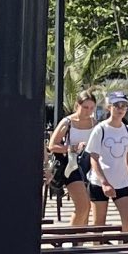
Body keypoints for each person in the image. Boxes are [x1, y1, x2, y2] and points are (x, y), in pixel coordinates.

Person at [85, 93, 128, 231]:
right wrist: (104, 183)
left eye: (124, 105)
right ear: (109, 107)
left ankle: (123, 244)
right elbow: (93, 157)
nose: (120, 109)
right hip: (99, 182)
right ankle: (98, 245)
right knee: (98, 224)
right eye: (117, 105)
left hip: (121, 182)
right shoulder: (100, 129)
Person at [48, 91, 100, 228]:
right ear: (77, 105)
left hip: (89, 165)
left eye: (91, 108)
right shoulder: (68, 122)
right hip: (71, 166)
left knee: (87, 209)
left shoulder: (95, 123)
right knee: (83, 206)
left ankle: (80, 238)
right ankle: (70, 236)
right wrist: (73, 148)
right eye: (85, 107)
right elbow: (52, 146)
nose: (88, 111)